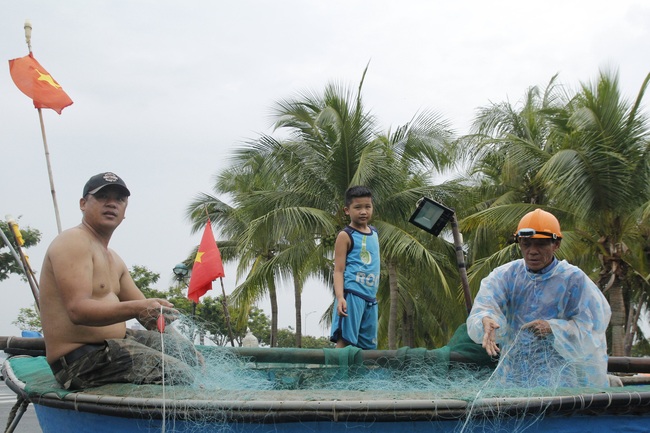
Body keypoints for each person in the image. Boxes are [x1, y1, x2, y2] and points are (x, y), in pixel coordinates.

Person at [39, 172, 199, 390]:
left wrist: (183, 346)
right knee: (177, 372)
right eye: (103, 196)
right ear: (83, 204)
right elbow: (77, 310)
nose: (112, 204)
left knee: (186, 355)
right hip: (80, 361)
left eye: (119, 199)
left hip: (113, 346)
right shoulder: (73, 241)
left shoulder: (114, 259)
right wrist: (138, 308)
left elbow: (151, 317)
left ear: (125, 210)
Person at [466, 209, 611, 387]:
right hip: (513, 377)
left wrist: (553, 328)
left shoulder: (574, 280)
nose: (532, 251)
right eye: (526, 244)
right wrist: (485, 319)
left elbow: (593, 327)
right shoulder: (505, 275)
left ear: (556, 244)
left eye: (541, 244)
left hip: (559, 381)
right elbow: (485, 305)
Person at [329, 186, 380, 349]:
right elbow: (338, 270)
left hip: (371, 298)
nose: (363, 211)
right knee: (345, 341)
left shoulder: (374, 233)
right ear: (347, 210)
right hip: (353, 295)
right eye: (357, 207)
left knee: (367, 348)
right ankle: (335, 374)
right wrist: (340, 297)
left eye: (367, 207)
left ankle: (362, 376)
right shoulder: (345, 235)